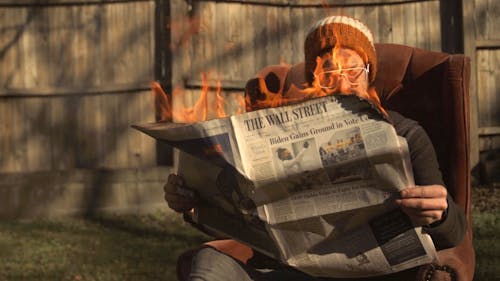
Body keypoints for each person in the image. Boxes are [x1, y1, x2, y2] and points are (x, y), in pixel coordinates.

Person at [163, 15, 467, 281]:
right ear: (314, 82)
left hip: (373, 275)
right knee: (211, 262)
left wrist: (439, 213)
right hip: (291, 273)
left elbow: (454, 235)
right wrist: (195, 204)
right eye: (329, 74)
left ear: (369, 75)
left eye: (353, 71)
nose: (343, 85)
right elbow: (246, 232)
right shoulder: (277, 136)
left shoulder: (406, 133)